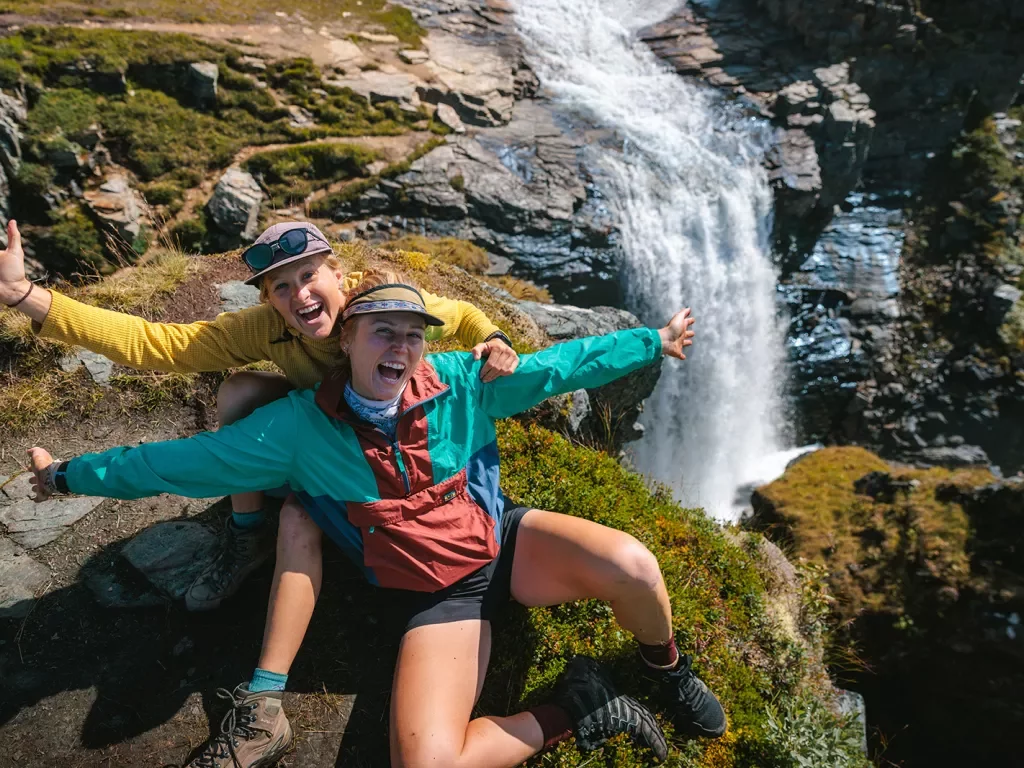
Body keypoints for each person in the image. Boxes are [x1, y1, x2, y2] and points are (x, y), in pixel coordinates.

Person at [28, 276, 726, 768]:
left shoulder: (458, 380)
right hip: (439, 599)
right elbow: (175, 464)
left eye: (412, 336)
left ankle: (664, 667)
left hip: (503, 542)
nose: (400, 346)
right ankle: (580, 703)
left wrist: (651, 341)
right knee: (429, 764)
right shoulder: (298, 430)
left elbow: (558, 368)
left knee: (634, 564)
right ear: (349, 342)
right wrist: (66, 476)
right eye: (381, 332)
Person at [0, 219, 520, 612]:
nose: (301, 295)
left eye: (309, 275)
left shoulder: (381, 305)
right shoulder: (264, 327)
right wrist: (25, 296)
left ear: (339, 274)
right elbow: (156, 343)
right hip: (320, 430)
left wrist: (493, 340)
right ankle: (248, 532)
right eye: (281, 287)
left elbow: (464, 314)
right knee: (239, 392)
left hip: (391, 441)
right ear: (269, 300)